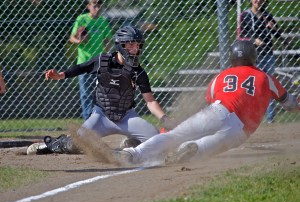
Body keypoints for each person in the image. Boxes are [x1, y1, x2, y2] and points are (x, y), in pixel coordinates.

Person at [111, 40, 300, 166]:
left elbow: (208, 99)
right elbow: (290, 105)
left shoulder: (222, 76)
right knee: (201, 149)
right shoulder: (266, 78)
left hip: (218, 110)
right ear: (253, 58)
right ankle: (192, 148)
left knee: (175, 135)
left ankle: (134, 153)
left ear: (233, 58)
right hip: (240, 132)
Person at [27, 25, 176, 155]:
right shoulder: (102, 61)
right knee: (76, 144)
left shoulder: (138, 71)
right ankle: (52, 144)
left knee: (156, 139)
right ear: (120, 45)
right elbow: (82, 67)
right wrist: (60, 75)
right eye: (131, 45)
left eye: (138, 45)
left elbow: (150, 101)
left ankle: (133, 141)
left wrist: (164, 118)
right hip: (100, 117)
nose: (135, 49)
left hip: (127, 118)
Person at [238, 0, 288, 123]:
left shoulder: (267, 15)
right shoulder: (245, 15)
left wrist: (274, 28)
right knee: (253, 86)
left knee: (268, 85)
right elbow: (240, 36)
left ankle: (270, 118)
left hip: (268, 54)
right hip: (252, 56)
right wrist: (254, 40)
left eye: (261, 0)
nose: (258, 1)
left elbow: (279, 35)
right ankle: (248, 117)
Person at [70, 0, 112, 120]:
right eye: (95, 6)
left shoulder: (102, 21)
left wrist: (108, 52)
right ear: (88, 6)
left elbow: (108, 40)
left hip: (98, 62)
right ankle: (88, 120)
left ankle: (101, 120)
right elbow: (72, 37)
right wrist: (79, 41)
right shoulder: (82, 19)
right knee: (85, 94)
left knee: (102, 92)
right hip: (83, 61)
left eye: (99, 6)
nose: (97, 8)